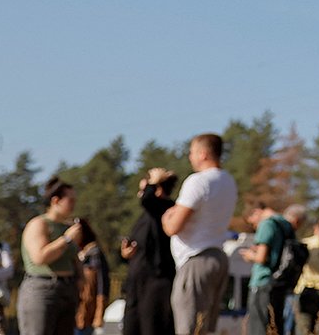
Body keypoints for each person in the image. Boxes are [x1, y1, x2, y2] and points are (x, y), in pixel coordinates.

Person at [162, 133, 238, 335]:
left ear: (203, 154)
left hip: (196, 258)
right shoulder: (228, 181)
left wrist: (166, 217)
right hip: (218, 256)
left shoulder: (198, 182)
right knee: (205, 328)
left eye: (192, 152)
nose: (190, 157)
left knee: (188, 326)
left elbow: (173, 227)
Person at [17, 177, 85, 335]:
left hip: (68, 289)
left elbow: (75, 257)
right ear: (56, 200)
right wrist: (66, 239)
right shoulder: (39, 224)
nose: (74, 203)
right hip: (42, 290)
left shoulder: (69, 227)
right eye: (70, 199)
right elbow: (40, 258)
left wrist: (81, 278)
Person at [121, 169, 179, 335]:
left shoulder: (166, 210)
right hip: (136, 283)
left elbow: (147, 200)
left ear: (157, 189)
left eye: (143, 189)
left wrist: (153, 181)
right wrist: (126, 254)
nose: (141, 194)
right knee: (131, 328)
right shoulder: (146, 217)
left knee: (152, 328)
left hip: (156, 283)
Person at [240, 204, 306, 335]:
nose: (253, 227)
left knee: (258, 328)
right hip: (278, 283)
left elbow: (261, 257)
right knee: (274, 326)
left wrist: (249, 255)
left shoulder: (267, 224)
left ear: (256, 212)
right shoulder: (286, 225)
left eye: (252, 224)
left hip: (263, 282)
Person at [74, 220, 110, 335]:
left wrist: (100, 312)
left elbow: (102, 283)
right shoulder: (75, 253)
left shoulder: (94, 254)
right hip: (71, 310)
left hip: (86, 312)